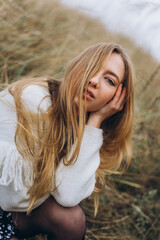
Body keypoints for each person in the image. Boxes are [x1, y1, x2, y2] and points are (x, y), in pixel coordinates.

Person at [0, 42, 134, 240]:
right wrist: (56, 180)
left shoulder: (81, 123)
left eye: (109, 81)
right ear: (77, 66)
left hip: (15, 210)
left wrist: (94, 122)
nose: (94, 81)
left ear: (116, 98)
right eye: (92, 67)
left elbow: (68, 196)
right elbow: (14, 198)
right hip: (8, 202)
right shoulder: (33, 100)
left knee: (72, 220)